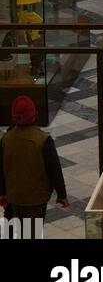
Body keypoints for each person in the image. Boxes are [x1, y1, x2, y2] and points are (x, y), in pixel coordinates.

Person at [0, 95, 68, 224]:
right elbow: (54, 170)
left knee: (14, 230)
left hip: (13, 196)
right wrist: (61, 194)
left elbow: (1, 169)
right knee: (32, 233)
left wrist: (2, 192)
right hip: (36, 199)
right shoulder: (43, 140)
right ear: (34, 115)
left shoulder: (6, 140)